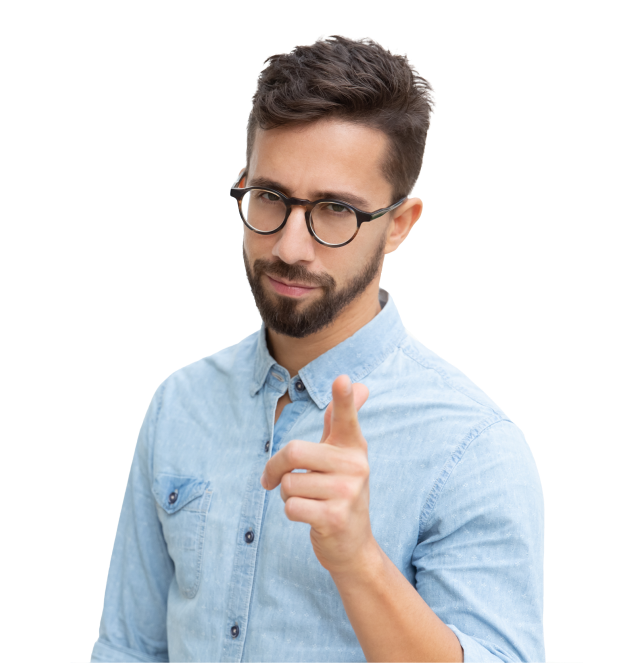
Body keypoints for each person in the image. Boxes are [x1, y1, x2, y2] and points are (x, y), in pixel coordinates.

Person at [91, 33, 545, 663]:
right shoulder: (180, 401)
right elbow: (128, 649)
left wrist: (359, 561)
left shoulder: (473, 446)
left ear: (399, 225)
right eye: (270, 197)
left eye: (335, 209)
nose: (289, 247)